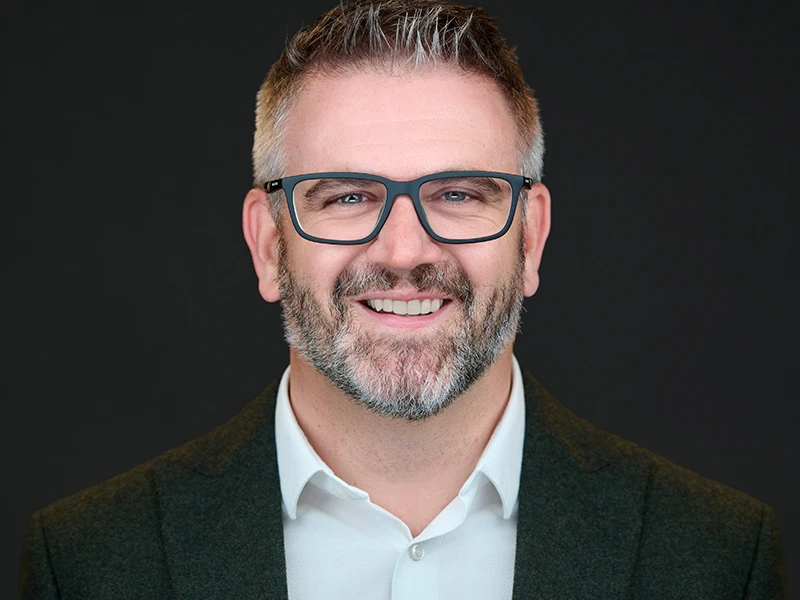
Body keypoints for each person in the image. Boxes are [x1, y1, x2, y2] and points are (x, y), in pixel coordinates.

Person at [19, 1, 786, 598]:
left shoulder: (718, 557)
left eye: (457, 193)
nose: (405, 250)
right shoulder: (89, 562)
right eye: (349, 196)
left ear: (533, 236)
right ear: (266, 244)